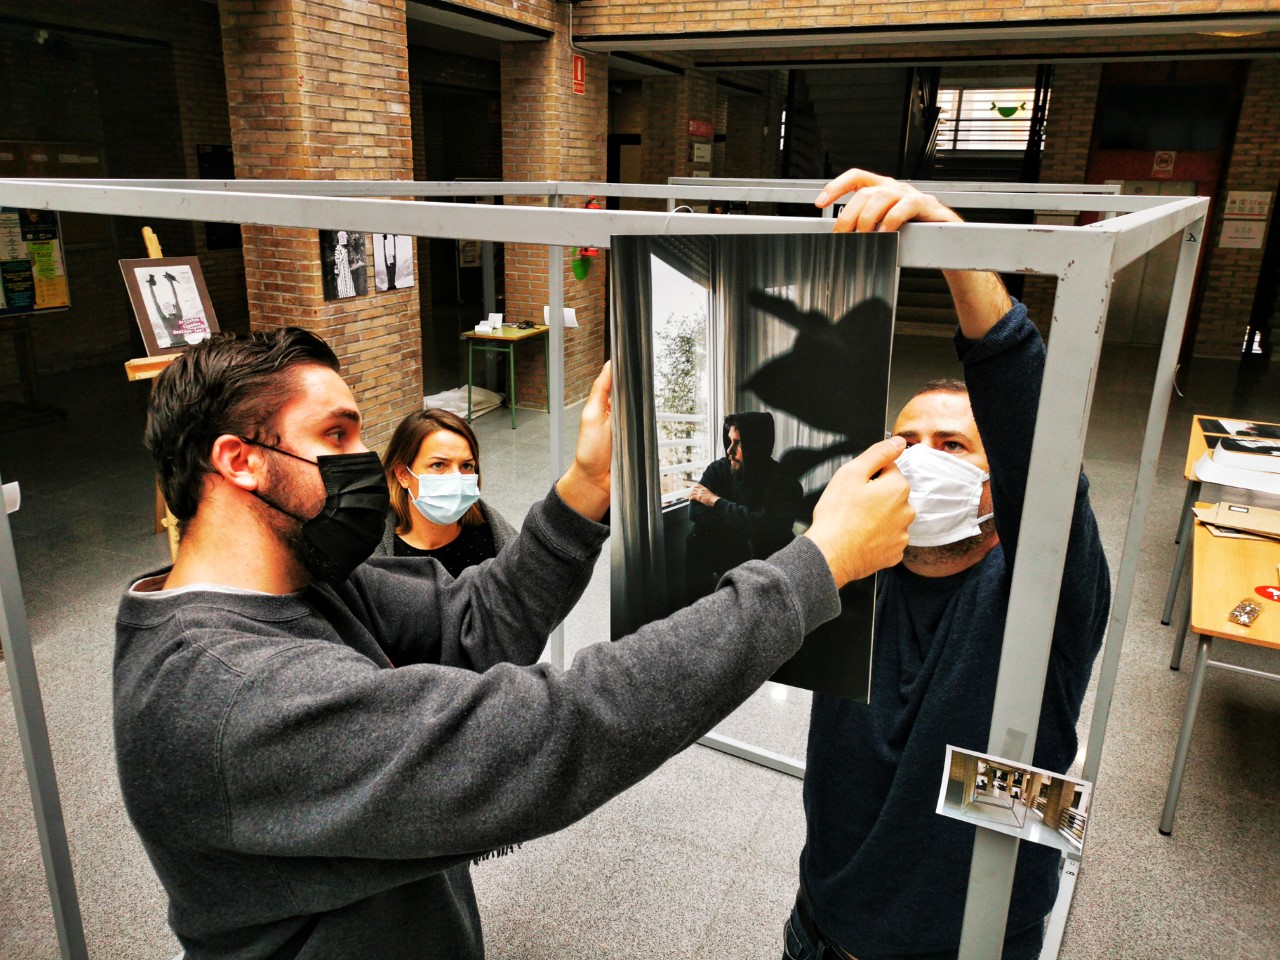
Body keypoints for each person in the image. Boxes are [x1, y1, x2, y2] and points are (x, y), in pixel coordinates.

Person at [114, 324, 915, 960]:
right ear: (240, 462)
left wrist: (588, 485)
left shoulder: (305, 583)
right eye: (337, 435)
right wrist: (818, 565)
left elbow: (476, 618)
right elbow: (557, 727)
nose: (365, 459)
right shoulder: (231, 697)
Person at [784, 170, 1111, 960]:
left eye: (954, 446)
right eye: (907, 444)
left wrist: (957, 247)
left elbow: (1035, 439)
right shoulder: (854, 572)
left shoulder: (1043, 595)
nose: (922, 463)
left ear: (1001, 480)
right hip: (822, 930)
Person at [374, 407, 515, 576]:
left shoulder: (492, 534)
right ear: (403, 475)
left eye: (466, 466)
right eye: (438, 465)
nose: (456, 478)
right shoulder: (373, 555)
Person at [685, 411, 804, 603]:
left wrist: (717, 502)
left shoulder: (785, 482)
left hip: (766, 555)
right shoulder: (719, 469)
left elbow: (768, 528)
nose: (729, 451)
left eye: (738, 443)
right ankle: (697, 610)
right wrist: (746, 522)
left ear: (757, 446)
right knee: (697, 534)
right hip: (732, 548)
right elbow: (695, 511)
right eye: (729, 441)